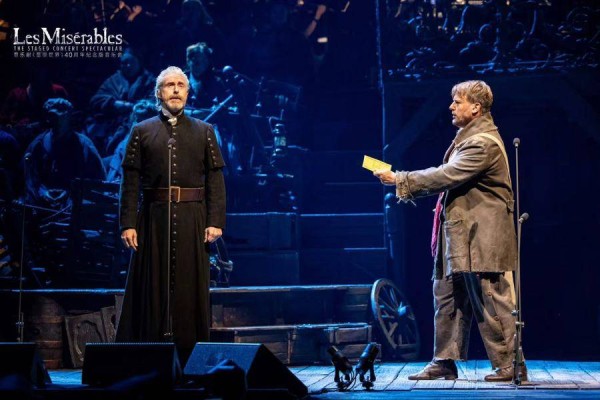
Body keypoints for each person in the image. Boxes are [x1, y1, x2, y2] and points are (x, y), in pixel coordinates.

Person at [374, 80, 525, 382]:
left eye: (458, 101)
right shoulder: (468, 138)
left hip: (481, 236)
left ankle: (511, 364)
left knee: (491, 298)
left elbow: (447, 175)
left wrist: (400, 179)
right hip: (460, 235)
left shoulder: (482, 143)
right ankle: (444, 360)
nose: (451, 107)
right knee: (447, 295)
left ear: (476, 108)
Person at [116, 66, 226, 363]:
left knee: (190, 286)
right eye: (169, 85)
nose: (175, 90)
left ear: (188, 93)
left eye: (180, 85)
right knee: (152, 286)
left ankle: (190, 356)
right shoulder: (142, 131)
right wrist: (128, 224)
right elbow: (130, 182)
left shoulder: (205, 131)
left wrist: (215, 221)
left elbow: (215, 179)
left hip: (193, 218)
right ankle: (148, 357)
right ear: (158, 93)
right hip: (153, 219)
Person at [23, 98, 105, 209]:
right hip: (42, 207)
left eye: (62, 116)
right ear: (48, 118)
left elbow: (97, 179)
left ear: (69, 117)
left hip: (74, 207)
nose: (58, 120)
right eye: (53, 116)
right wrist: (42, 192)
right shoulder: (38, 145)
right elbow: (29, 178)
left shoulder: (84, 146)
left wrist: (71, 193)